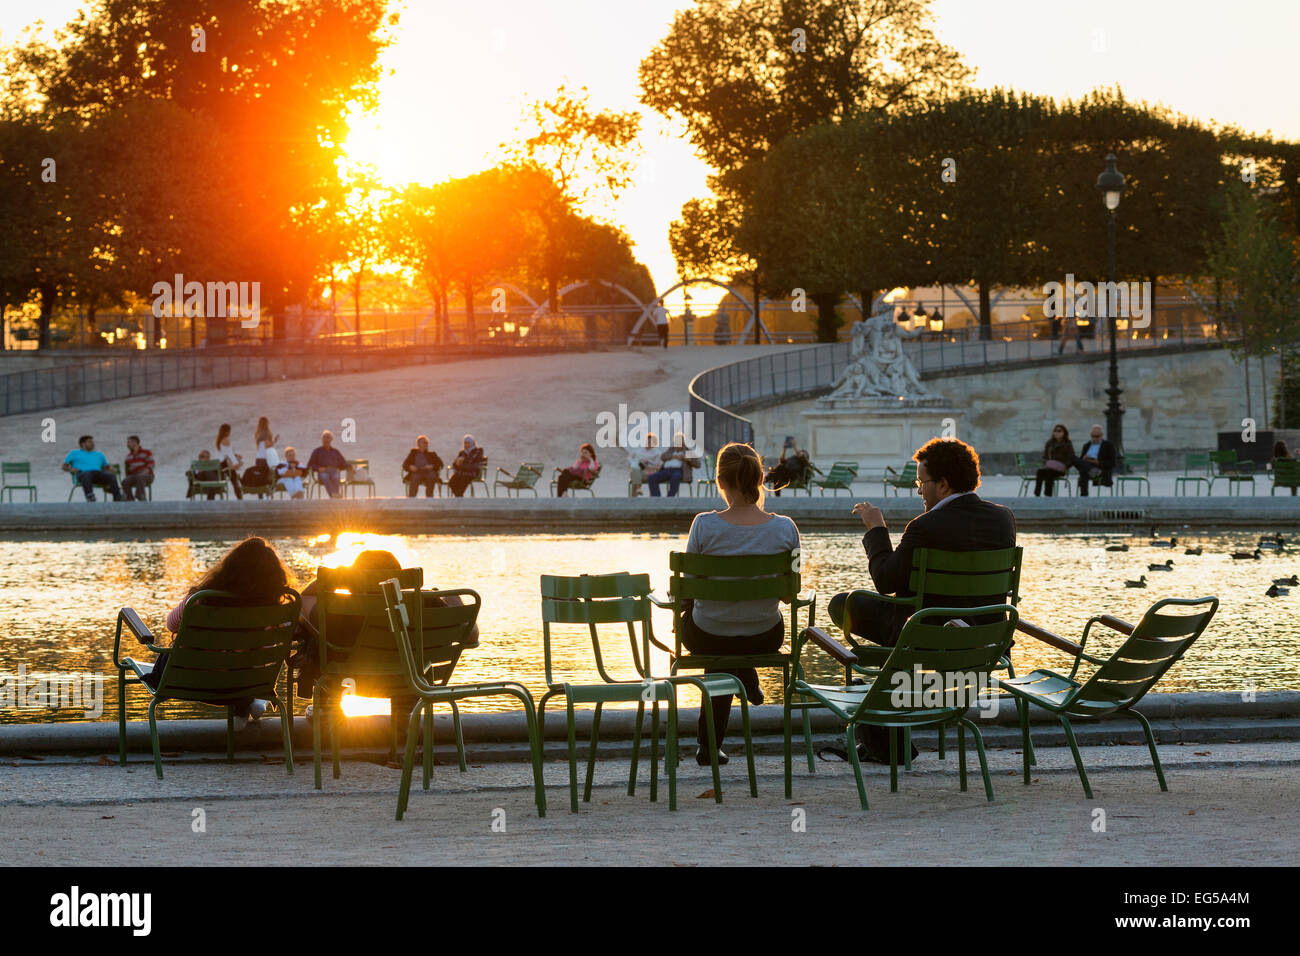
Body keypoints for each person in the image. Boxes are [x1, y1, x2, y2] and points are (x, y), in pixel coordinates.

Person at [826, 437, 1016, 762]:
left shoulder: (924, 526)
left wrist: (876, 529)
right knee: (900, 627)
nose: (918, 491)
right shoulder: (1004, 518)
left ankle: (881, 725)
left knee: (843, 604)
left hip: (926, 639)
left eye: (921, 483)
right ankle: (885, 729)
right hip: (983, 642)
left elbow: (885, 581)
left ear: (942, 484)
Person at [681, 442, 800, 765]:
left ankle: (709, 744)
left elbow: (688, 589)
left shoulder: (704, 524)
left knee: (715, 638)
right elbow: (790, 596)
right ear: (761, 478)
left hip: (709, 634)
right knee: (733, 642)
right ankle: (744, 674)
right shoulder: (786, 528)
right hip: (764, 634)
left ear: (720, 481)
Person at [144, 536, 296, 729]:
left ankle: (247, 703)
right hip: (243, 685)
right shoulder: (276, 611)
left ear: (229, 568)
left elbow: (171, 624)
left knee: (168, 656)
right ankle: (247, 702)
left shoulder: (200, 600)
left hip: (186, 682)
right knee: (241, 661)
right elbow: (267, 647)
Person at [62, 435, 123, 501]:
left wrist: (111, 468)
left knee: (110, 475)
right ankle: (90, 495)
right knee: (87, 474)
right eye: (90, 442)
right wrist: (71, 469)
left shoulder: (99, 454)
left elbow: (106, 466)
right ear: (83, 444)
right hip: (82, 474)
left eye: (92, 442)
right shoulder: (74, 453)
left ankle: (117, 496)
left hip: (98, 474)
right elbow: (64, 466)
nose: (93, 443)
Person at [1070, 423, 1116, 496]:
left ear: (1101, 435)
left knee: (1083, 471)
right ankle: (1084, 496)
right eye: (1092, 436)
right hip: (1088, 469)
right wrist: (1084, 458)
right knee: (1072, 458)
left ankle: (1083, 496)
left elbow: (1112, 463)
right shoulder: (1087, 445)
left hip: (1100, 472)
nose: (1094, 438)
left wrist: (1098, 462)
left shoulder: (1108, 446)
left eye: (1097, 436)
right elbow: (1081, 461)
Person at [647, 432, 695, 497]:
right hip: (666, 470)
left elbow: (697, 464)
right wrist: (673, 456)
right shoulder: (671, 449)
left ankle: (669, 498)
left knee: (675, 477)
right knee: (652, 477)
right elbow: (663, 456)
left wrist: (686, 458)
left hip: (678, 470)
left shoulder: (687, 451)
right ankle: (657, 498)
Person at [1034, 424, 1075, 497]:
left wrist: (1065, 466)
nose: (1057, 432)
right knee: (1040, 471)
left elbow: (1072, 458)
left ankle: (1048, 495)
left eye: (1059, 431)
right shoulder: (1049, 443)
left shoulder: (1067, 444)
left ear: (1064, 433)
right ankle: (1037, 494)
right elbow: (1044, 456)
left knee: (1049, 473)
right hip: (1049, 467)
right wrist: (1045, 462)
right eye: (1055, 431)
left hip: (1060, 469)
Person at [307, 430, 347, 497]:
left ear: (331, 439)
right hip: (323, 471)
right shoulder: (317, 451)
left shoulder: (335, 452)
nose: (326, 439)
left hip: (334, 471)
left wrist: (350, 467)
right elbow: (310, 465)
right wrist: (318, 468)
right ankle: (334, 495)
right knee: (325, 476)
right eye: (324, 437)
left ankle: (335, 495)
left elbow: (343, 463)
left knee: (336, 476)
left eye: (328, 437)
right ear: (322, 439)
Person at [122, 435, 155, 501]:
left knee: (140, 477)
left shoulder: (146, 452)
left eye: (129, 442)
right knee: (125, 481)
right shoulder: (128, 456)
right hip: (134, 475)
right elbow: (127, 471)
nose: (127, 445)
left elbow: (151, 464)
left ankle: (140, 495)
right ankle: (129, 499)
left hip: (147, 475)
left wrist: (146, 470)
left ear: (135, 443)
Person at [215, 424, 243, 500]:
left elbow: (224, 452)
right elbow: (229, 454)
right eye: (229, 431)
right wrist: (236, 463)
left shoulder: (219, 440)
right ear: (227, 431)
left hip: (220, 463)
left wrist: (235, 455)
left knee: (233, 481)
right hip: (226, 464)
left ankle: (239, 498)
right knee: (235, 482)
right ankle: (240, 500)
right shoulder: (226, 440)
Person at [627, 432, 659, 496]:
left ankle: (638, 489)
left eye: (650, 442)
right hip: (638, 471)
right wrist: (630, 464)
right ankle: (637, 492)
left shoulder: (657, 452)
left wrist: (647, 465)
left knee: (635, 474)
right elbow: (629, 459)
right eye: (647, 441)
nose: (648, 443)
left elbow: (657, 466)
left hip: (649, 473)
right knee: (635, 469)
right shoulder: (639, 450)